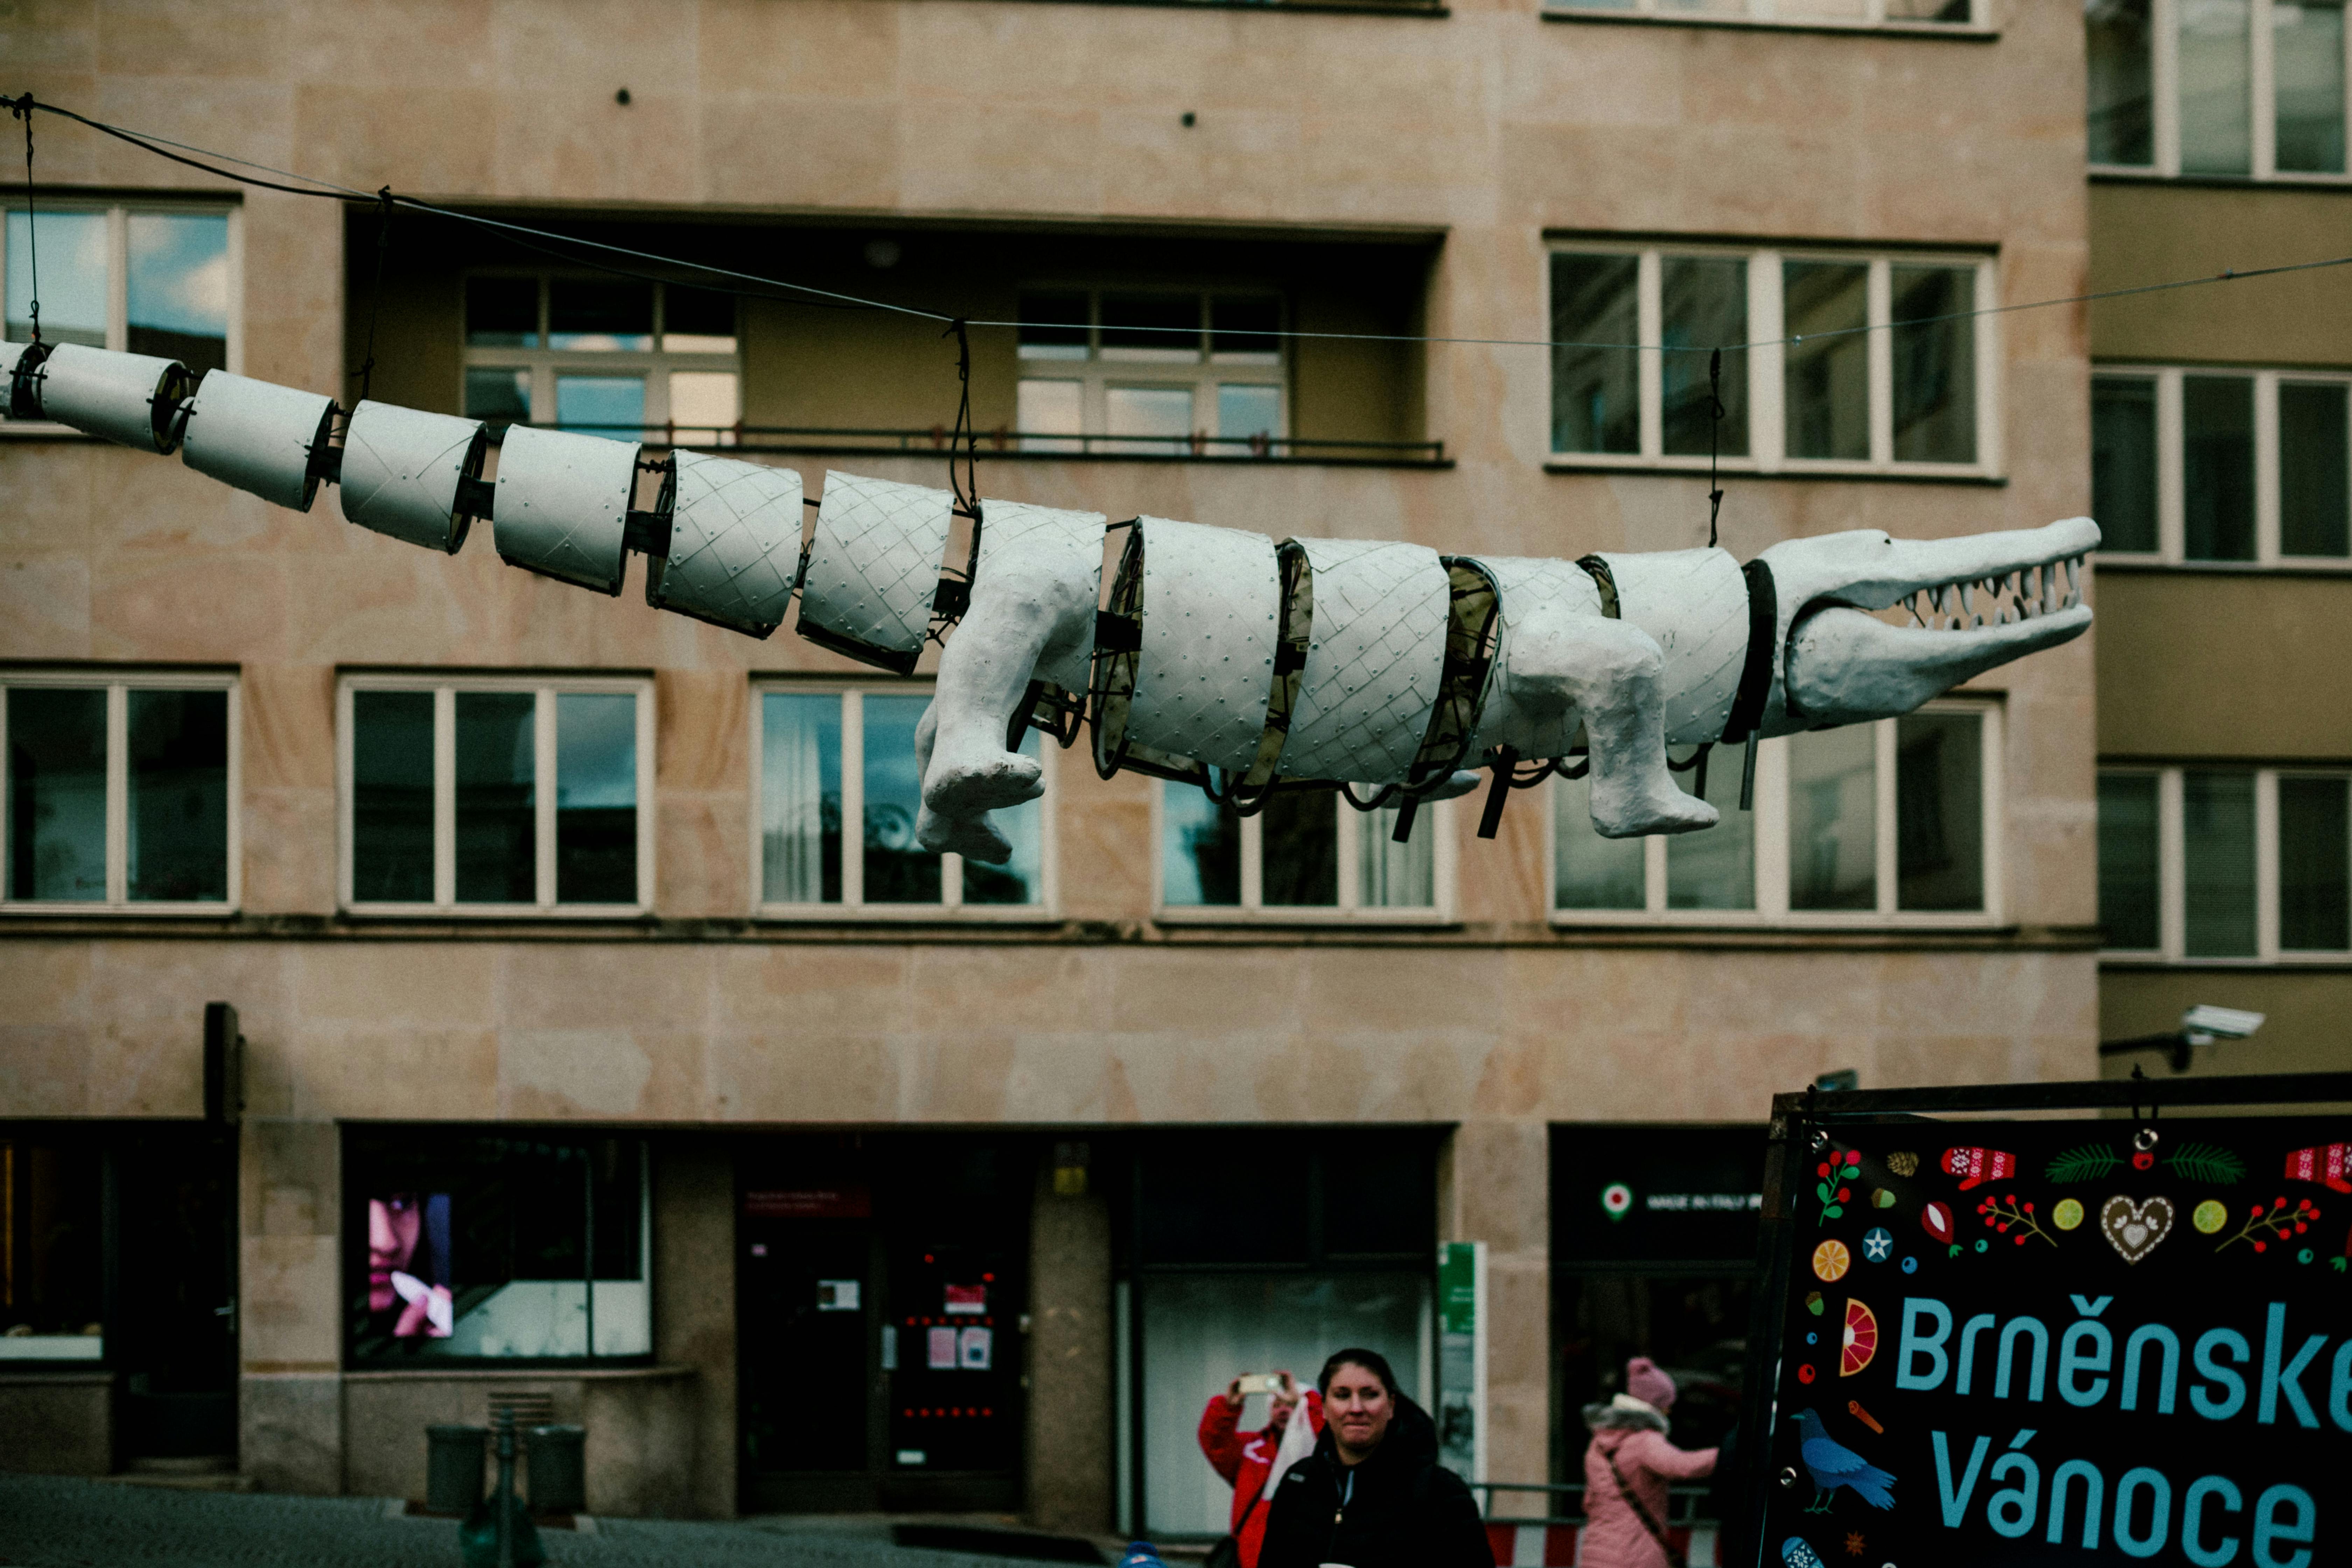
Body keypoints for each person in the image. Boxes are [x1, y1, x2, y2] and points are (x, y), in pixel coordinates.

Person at [1257, 1348, 1494, 1568]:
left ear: (1391, 1406)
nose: (1357, 1408)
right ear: (1325, 1408)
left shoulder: (1440, 1491)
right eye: (1342, 1395)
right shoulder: (1297, 1482)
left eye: (1370, 1395)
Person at [1578, 1357, 1718, 1568]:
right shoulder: (1644, 1441)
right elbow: (1682, 1466)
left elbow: (1590, 1500)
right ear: (1654, 1406)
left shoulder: (1599, 1443)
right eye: (1666, 1405)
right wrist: (1728, 1453)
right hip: (1635, 1555)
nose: (1669, 1411)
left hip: (1596, 1553)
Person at [1197, 1371, 1323, 1568]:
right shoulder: (1251, 1448)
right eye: (1277, 1405)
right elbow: (1215, 1442)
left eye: (1291, 1406)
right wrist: (1229, 1406)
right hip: (1250, 1558)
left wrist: (1306, 1404)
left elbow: (1333, 1433)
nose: (1283, 1411)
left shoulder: (1321, 1449)